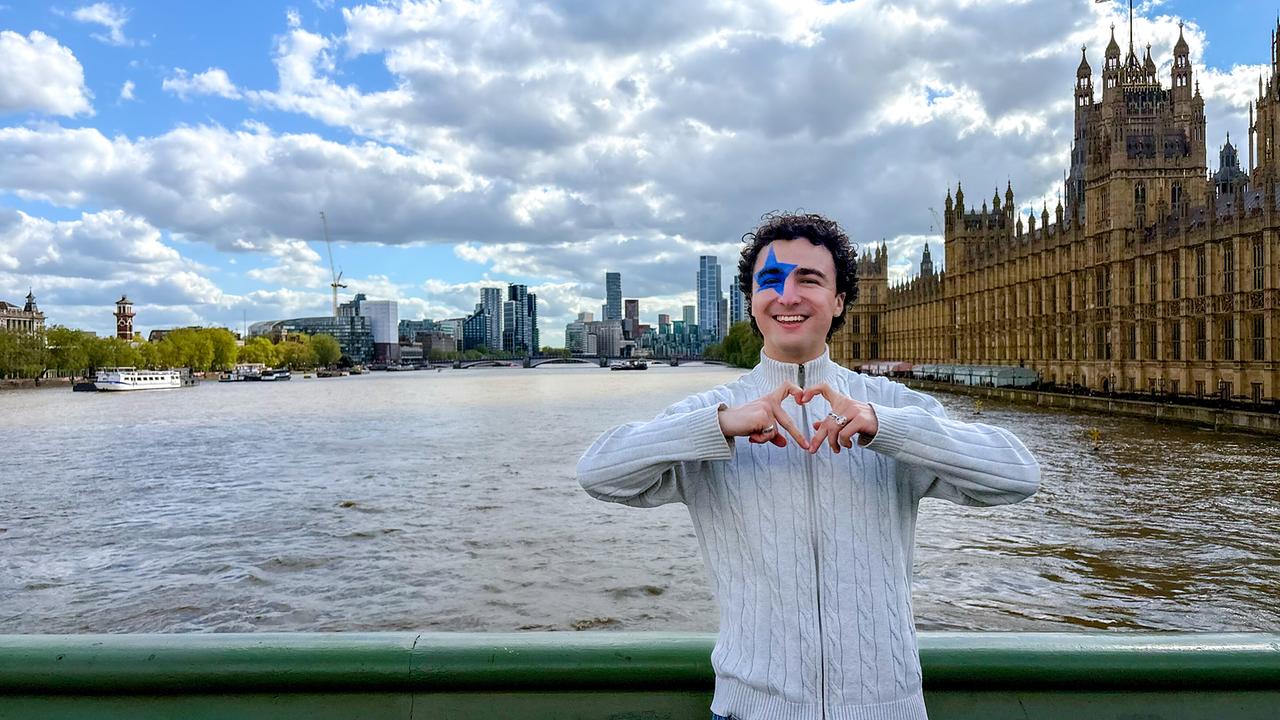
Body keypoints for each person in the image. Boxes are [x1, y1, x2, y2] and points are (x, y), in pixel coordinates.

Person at [577, 212, 1040, 720]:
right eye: (770, 281)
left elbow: (1019, 475)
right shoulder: (711, 414)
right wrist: (718, 427)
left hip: (887, 710)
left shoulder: (889, 406)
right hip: (749, 711)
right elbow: (598, 472)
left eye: (810, 279)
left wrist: (888, 428)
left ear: (840, 300)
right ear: (751, 301)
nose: (788, 295)